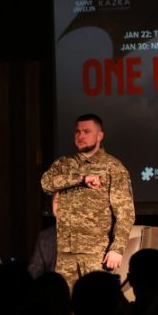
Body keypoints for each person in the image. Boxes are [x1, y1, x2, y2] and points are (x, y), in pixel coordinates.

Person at [41, 113, 134, 288]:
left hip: (95, 254)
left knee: (95, 301)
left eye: (86, 131)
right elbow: (46, 183)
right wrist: (81, 178)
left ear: (99, 136)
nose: (80, 136)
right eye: (77, 132)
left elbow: (125, 213)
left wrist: (117, 249)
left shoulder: (113, 167)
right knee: (65, 303)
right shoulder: (64, 164)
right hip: (64, 254)